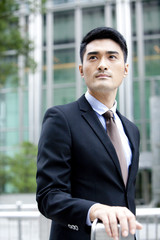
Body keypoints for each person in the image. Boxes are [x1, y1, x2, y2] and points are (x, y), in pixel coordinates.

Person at [36, 27, 142, 240]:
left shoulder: (132, 130)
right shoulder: (61, 119)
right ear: (82, 69)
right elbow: (49, 197)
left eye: (112, 57)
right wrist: (94, 210)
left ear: (126, 68)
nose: (102, 64)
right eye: (93, 57)